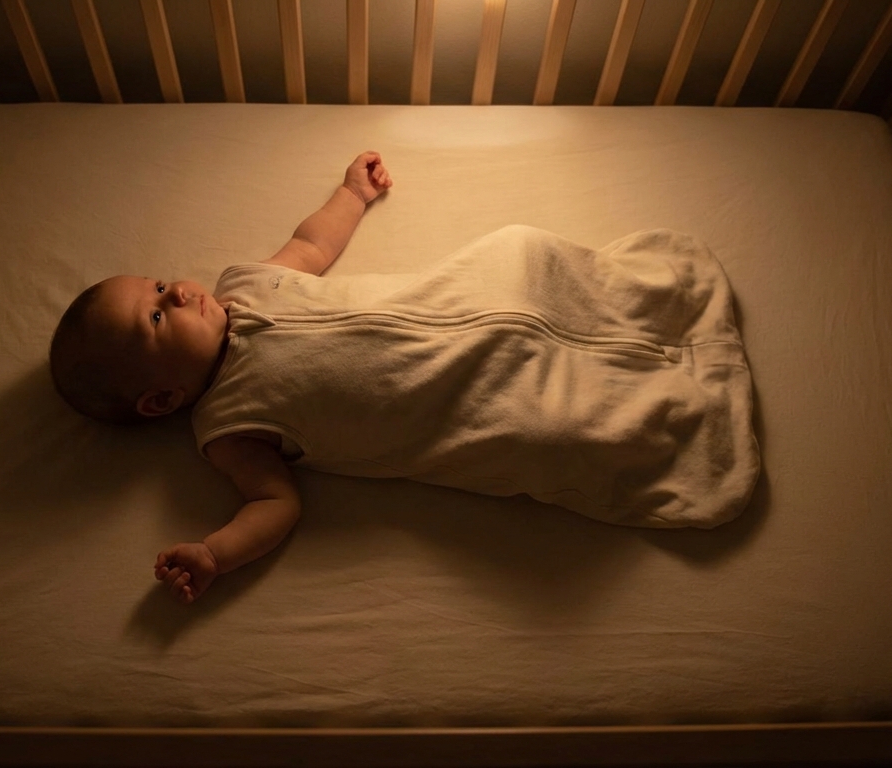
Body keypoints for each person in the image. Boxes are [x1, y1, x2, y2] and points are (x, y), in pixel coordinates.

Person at [49, 151, 758, 606]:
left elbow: (311, 245)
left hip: (461, 300)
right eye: (155, 317)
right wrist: (213, 553)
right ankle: (684, 410)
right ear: (161, 398)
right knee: (549, 428)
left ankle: (656, 308)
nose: (176, 294)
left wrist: (350, 194)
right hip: (462, 401)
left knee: (522, 252)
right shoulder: (228, 431)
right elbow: (275, 506)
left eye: (163, 284)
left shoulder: (246, 286)